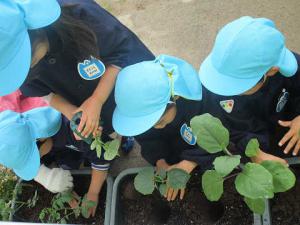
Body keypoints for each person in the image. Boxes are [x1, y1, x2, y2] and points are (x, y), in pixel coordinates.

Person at [0, 0, 154, 217]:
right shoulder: (24, 73)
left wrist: (97, 99)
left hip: (119, 80)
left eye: (28, 63)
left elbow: (122, 53)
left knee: (141, 122)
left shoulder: (80, 17)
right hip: (78, 96)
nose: (25, 75)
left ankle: (127, 134)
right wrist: (71, 110)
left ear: (35, 32)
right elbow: (44, 93)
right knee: (105, 126)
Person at [198, 16, 299, 165]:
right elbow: (224, 125)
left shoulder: (293, 68)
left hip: (289, 135)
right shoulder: (217, 85)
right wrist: (253, 152)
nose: (226, 90)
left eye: (237, 85)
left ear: (271, 71)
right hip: (251, 143)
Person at [112, 54, 210, 201]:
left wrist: (189, 162)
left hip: (201, 153)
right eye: (148, 124)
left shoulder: (199, 105)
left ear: (174, 98)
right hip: (173, 155)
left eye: (160, 121)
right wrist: (160, 161)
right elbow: (148, 140)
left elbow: (217, 142)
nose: (156, 128)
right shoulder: (141, 111)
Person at [0, 107, 73, 194]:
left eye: (36, 158)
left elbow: (93, 153)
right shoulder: (14, 130)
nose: (39, 160)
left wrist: (93, 192)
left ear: (39, 140)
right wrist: (45, 177)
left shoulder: (71, 126)